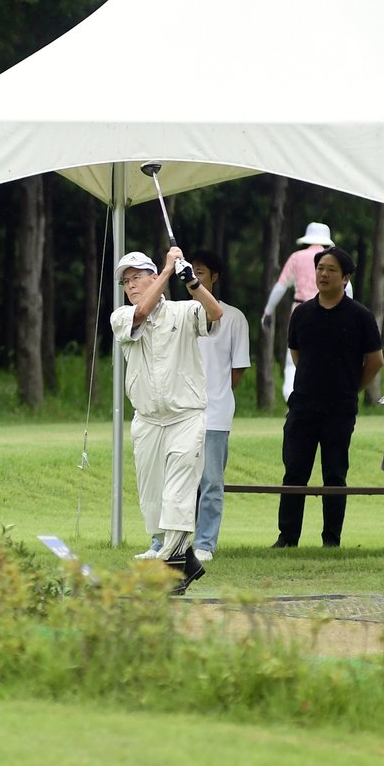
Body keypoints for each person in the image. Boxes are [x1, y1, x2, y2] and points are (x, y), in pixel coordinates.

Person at [110, 247, 223, 593]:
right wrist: (168, 268)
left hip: (186, 416)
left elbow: (215, 312)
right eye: (125, 281)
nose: (130, 285)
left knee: (178, 495)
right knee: (154, 501)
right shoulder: (121, 317)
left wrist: (192, 284)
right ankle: (183, 563)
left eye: (136, 277)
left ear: (150, 276)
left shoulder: (184, 310)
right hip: (147, 421)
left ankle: (170, 575)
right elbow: (142, 312)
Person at [274, 247, 383, 547]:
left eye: (331, 269)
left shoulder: (360, 316)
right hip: (303, 406)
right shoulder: (302, 313)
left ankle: (331, 539)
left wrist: (351, 388)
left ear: (346, 277)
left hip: (340, 408)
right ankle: (287, 537)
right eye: (320, 268)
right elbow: (297, 354)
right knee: (294, 471)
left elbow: (375, 360)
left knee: (334, 474)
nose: (323, 274)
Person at [189, 251, 250, 561]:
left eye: (201, 272)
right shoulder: (179, 313)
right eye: (191, 272)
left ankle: (205, 542)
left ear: (214, 277)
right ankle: (170, 542)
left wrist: (218, 392)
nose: (195, 278)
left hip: (216, 411)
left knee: (211, 480)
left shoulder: (234, 317)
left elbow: (237, 368)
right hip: (181, 412)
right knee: (179, 481)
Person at [261, 222, 351, 400]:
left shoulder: (296, 257)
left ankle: (292, 399)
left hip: (301, 312)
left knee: (293, 360)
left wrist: (268, 312)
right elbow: (347, 289)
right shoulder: (334, 261)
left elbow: (280, 287)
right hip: (332, 313)